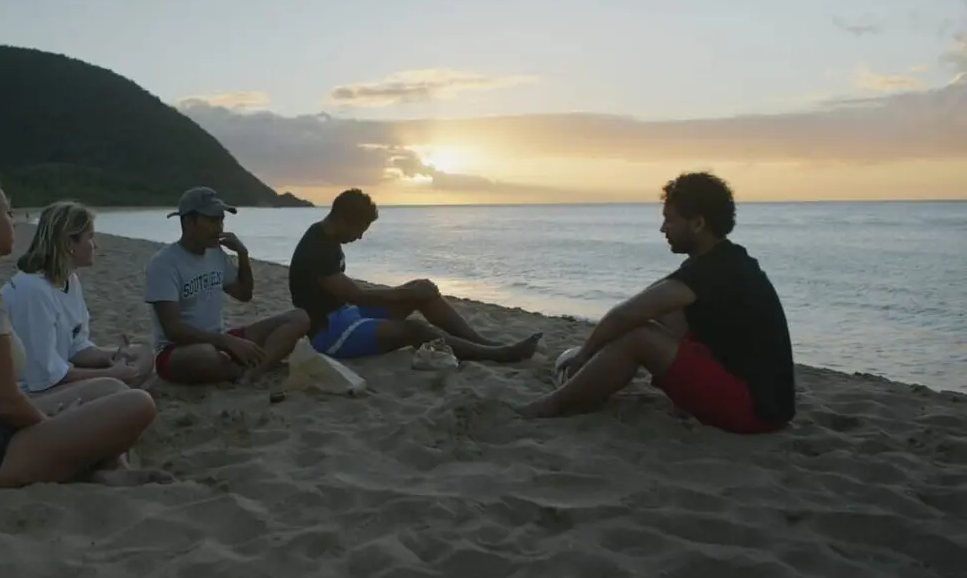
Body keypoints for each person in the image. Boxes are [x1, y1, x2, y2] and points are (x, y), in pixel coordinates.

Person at [0, 176, 168, 498]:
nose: (14, 221)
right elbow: (6, 402)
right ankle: (95, 471)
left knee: (109, 388)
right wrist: (49, 424)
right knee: (138, 405)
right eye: (7, 213)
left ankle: (102, 472)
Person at [518, 171, 795, 434]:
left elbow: (627, 314)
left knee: (639, 336)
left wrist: (585, 353)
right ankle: (592, 386)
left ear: (698, 223)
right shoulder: (723, 260)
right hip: (761, 397)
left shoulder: (716, 270)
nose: (663, 228)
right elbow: (650, 299)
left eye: (670, 220)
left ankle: (552, 403)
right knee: (662, 316)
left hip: (756, 410)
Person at [288, 188, 541, 362]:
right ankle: (497, 355)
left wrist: (414, 292)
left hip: (347, 315)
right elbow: (358, 296)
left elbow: (353, 298)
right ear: (343, 219)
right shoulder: (316, 248)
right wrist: (408, 292)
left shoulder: (328, 236)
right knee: (416, 329)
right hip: (327, 333)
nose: (360, 237)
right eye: (359, 229)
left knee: (421, 293)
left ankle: (483, 342)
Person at [145, 186, 310, 383]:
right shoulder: (163, 263)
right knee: (204, 355)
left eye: (221, 219)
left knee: (299, 317)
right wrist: (228, 342)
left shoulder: (215, 254)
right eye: (212, 220)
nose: (220, 227)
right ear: (189, 222)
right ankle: (247, 368)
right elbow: (174, 330)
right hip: (178, 350)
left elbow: (244, 294)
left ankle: (253, 371)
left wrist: (243, 255)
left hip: (220, 340)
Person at [1, 201, 156, 395]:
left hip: (56, 375)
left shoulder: (69, 280)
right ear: (69, 243)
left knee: (143, 354)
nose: (95, 245)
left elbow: (76, 348)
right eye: (90, 237)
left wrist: (115, 356)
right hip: (31, 390)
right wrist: (113, 374)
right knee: (121, 391)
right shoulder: (33, 291)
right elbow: (43, 375)